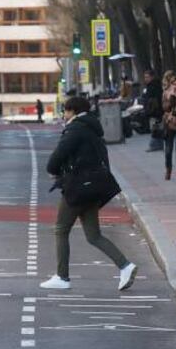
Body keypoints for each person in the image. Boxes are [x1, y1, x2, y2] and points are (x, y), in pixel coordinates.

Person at [40, 96, 138, 291]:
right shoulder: (92, 127)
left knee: (61, 229)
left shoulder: (75, 128)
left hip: (78, 188)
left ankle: (62, 276)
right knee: (93, 235)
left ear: (72, 111)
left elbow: (58, 156)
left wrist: (54, 170)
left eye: (65, 111)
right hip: (93, 187)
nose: (64, 115)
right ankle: (125, 266)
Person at [141, 69, 163, 151]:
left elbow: (152, 99)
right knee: (157, 127)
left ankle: (153, 145)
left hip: (154, 110)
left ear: (152, 77)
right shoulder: (153, 85)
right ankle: (159, 145)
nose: (145, 79)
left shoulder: (153, 86)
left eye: (147, 77)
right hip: (156, 110)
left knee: (154, 127)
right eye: (145, 77)